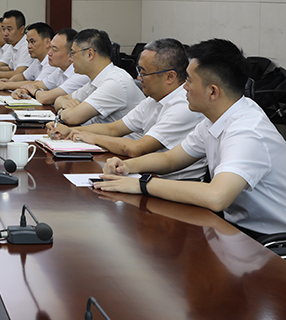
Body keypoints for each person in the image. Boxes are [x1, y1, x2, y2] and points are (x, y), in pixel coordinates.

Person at [95, 39, 286, 237]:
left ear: (213, 91)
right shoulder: (214, 119)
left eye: (189, 80)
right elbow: (170, 159)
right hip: (236, 229)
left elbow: (216, 197)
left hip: (272, 240)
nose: (184, 87)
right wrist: (127, 166)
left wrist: (142, 184)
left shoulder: (247, 131)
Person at [49, 38, 206, 180]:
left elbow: (136, 148)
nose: (138, 78)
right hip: (147, 174)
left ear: (170, 77)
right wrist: (72, 132)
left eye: (144, 72)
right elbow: (113, 129)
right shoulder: (152, 100)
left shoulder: (183, 106)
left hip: (172, 183)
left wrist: (91, 137)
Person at [52, 28, 144, 126]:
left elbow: (72, 118)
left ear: (90, 54)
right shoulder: (96, 80)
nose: (71, 58)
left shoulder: (114, 82)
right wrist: (64, 104)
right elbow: (59, 99)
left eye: (73, 53)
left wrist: (61, 111)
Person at [12, 28, 90, 105]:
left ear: (70, 55)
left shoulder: (81, 74)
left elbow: (44, 98)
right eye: (50, 48)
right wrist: (24, 90)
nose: (49, 53)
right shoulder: (60, 71)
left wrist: (33, 91)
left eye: (54, 50)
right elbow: (38, 85)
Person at [0, 22, 56, 90]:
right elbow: (23, 76)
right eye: (28, 42)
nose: (29, 46)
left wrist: (5, 85)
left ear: (47, 42)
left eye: (32, 42)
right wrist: (10, 81)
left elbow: (37, 84)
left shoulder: (53, 62)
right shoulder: (37, 61)